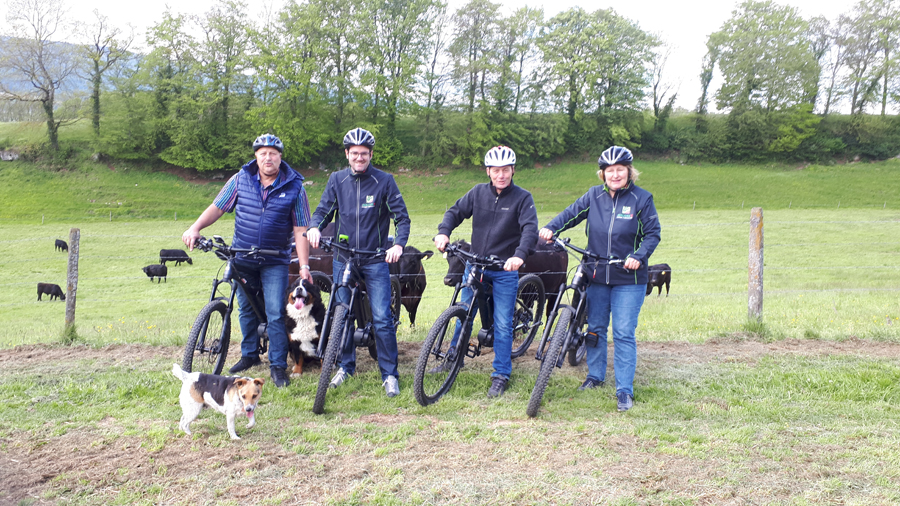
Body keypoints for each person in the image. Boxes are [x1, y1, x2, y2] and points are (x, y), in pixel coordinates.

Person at [182, 134, 312, 389]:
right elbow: (218, 207)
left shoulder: (295, 186)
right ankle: (249, 354)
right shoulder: (240, 179)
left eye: (273, 153)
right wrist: (195, 227)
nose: (268, 157)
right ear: (256, 156)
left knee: (275, 312)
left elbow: (300, 229)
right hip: (243, 255)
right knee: (245, 308)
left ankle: (277, 366)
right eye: (263, 153)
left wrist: (305, 266)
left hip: (275, 259)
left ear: (280, 157)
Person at [539, 146, 660, 412]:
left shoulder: (642, 199)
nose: (615, 175)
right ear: (602, 174)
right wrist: (550, 227)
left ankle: (624, 390)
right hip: (596, 273)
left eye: (620, 170)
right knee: (595, 327)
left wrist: (638, 256)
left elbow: (653, 234)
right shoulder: (594, 196)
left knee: (624, 333)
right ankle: (595, 376)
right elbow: (570, 214)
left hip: (629, 277)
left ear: (629, 172)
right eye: (609, 171)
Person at [306, 128, 411, 398]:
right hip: (343, 258)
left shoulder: (384, 181)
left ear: (371, 154)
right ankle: (345, 366)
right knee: (343, 316)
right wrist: (315, 227)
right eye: (354, 153)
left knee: (382, 319)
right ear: (347, 154)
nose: (359, 158)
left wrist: (398, 244)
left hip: (376, 259)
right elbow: (323, 210)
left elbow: (401, 217)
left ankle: (389, 375)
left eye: (364, 153)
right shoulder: (336, 179)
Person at [433, 145, 538, 398]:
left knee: (502, 324)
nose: (501, 175)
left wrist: (518, 256)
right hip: (475, 265)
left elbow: (529, 231)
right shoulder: (478, 193)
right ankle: (452, 360)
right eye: (495, 170)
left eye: (505, 170)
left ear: (512, 170)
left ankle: (501, 374)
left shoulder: (523, 198)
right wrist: (443, 231)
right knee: (463, 314)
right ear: (488, 171)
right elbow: (455, 212)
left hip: (504, 269)